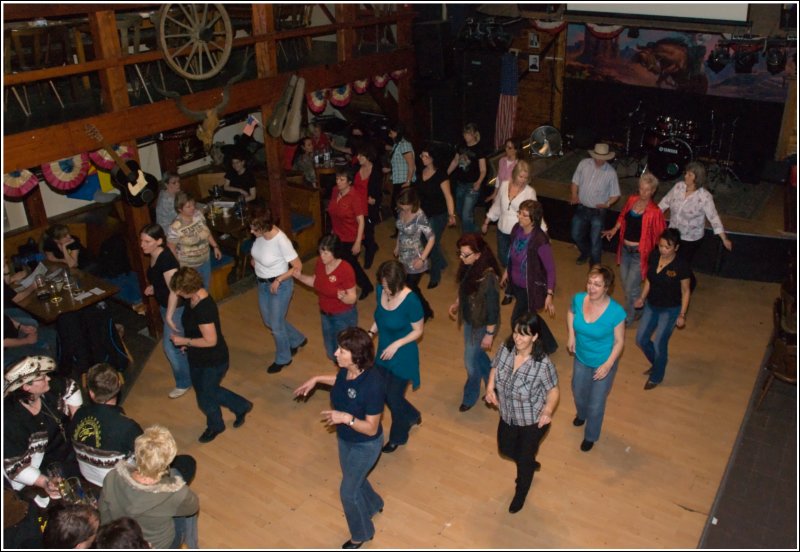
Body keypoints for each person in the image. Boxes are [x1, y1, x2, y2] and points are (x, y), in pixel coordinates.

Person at [294, 327, 385, 550]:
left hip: (366, 444)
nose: (335, 354)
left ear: (356, 357)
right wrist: (316, 379)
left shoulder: (373, 385)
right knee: (353, 477)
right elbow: (340, 381)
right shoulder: (348, 370)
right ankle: (374, 503)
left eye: (341, 351)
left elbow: (372, 429)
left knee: (348, 492)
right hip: (346, 438)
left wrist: (345, 418)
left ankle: (362, 533)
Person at [485, 312, 559, 514]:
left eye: (524, 334)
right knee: (506, 449)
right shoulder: (506, 348)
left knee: (524, 463)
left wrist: (548, 410)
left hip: (532, 422)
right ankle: (527, 461)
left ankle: (521, 491)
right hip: (507, 415)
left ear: (534, 337)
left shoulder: (543, 364)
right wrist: (490, 388)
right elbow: (495, 366)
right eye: (516, 332)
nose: (517, 338)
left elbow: (553, 390)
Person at [169, 267, 253, 443]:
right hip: (198, 357)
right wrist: (188, 343)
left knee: (205, 397)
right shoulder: (191, 299)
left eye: (179, 291)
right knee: (207, 391)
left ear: (188, 288)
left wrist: (185, 341)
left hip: (213, 360)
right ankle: (241, 406)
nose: (177, 294)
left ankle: (216, 426)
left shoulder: (204, 308)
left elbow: (211, 341)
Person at [99, 425, 199, 549]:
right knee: (182, 473)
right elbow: (192, 508)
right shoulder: (177, 492)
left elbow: (104, 512)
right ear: (169, 459)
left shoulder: (112, 476)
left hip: (124, 540)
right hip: (160, 544)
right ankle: (193, 545)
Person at [3, 356, 83, 508]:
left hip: (68, 449)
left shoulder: (47, 390)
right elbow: (15, 466)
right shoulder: (10, 421)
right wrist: (45, 482)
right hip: (41, 466)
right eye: (41, 377)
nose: (48, 378)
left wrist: (77, 418)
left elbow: (71, 386)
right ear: (27, 387)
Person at [567, 265, 626, 452]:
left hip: (604, 362)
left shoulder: (616, 312)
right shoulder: (578, 299)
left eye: (597, 285)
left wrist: (608, 364)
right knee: (577, 390)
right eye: (590, 282)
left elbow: (619, 342)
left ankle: (591, 435)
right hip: (581, 357)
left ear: (606, 287)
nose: (591, 288)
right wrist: (571, 335)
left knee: (596, 403)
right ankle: (581, 414)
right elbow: (570, 312)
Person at [367, 260, 424, 453]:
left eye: (388, 286)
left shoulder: (411, 301)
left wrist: (397, 344)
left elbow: (418, 331)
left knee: (393, 397)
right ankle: (412, 414)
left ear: (399, 282)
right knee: (381, 391)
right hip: (384, 351)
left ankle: (398, 436)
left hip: (403, 353)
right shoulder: (380, 291)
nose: (385, 289)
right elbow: (380, 317)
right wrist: (370, 333)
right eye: (383, 285)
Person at [601, 172, 666, 325]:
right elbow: (622, 217)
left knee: (630, 286)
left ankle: (629, 316)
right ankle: (639, 308)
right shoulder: (631, 200)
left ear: (653, 191)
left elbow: (661, 234)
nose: (643, 193)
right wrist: (614, 230)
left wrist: (661, 256)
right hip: (624, 249)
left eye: (647, 190)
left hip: (639, 254)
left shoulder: (655, 212)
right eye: (641, 189)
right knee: (626, 283)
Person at [249, 207, 308, 373]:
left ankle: (284, 357)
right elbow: (259, 252)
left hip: (280, 287)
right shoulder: (260, 236)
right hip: (262, 284)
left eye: (254, 228)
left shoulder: (281, 240)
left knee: (275, 325)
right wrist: (255, 260)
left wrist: (279, 279)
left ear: (264, 227)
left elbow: (298, 266)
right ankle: (297, 338)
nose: (251, 231)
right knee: (270, 321)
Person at [658, 161, 733, 288]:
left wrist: (724, 238)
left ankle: (688, 284)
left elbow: (713, 217)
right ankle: (673, 284)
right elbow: (664, 203)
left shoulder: (704, 197)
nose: (686, 176)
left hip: (690, 239)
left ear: (697, 178)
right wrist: (650, 215)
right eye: (686, 173)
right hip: (673, 234)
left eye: (690, 174)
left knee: (681, 263)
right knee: (671, 260)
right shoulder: (678, 187)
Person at [448, 233, 501, 412]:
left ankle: (470, 396)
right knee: (477, 355)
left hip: (483, 324)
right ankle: (493, 384)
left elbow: (493, 310)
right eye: (460, 254)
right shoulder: (470, 266)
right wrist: (457, 303)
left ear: (478, 255)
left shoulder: (489, 278)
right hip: (471, 319)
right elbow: (465, 287)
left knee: (470, 362)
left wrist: (490, 334)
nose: (461, 258)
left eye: (465, 255)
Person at [634, 229, 692, 390]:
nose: (663, 250)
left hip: (670, 309)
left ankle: (657, 376)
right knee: (641, 339)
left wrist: (682, 314)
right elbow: (649, 280)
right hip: (652, 305)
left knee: (660, 342)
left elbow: (686, 291)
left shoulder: (681, 266)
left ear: (676, 248)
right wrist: (642, 298)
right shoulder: (654, 256)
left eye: (667, 247)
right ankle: (659, 362)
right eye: (661, 246)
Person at [500, 200, 558, 354]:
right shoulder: (516, 230)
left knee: (517, 320)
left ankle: (525, 347)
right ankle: (550, 345)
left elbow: (550, 269)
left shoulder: (540, 240)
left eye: (524, 215)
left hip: (530, 288)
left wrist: (549, 294)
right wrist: (507, 269)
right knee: (531, 315)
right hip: (516, 283)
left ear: (534, 218)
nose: (519, 217)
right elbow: (512, 253)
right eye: (519, 212)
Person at [140, 223, 191, 398]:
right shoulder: (154, 255)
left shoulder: (167, 259)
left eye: (147, 241)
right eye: (142, 241)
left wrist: (169, 316)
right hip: (166, 306)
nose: (142, 245)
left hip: (175, 307)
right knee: (180, 344)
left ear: (159, 241)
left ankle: (184, 382)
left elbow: (175, 290)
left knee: (171, 347)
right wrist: (154, 287)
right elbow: (162, 280)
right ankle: (193, 371)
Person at [483, 160, 543, 306]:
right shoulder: (504, 185)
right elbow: (497, 205)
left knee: (513, 262)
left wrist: (543, 233)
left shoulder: (530, 192)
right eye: (520, 176)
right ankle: (512, 280)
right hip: (502, 229)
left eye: (526, 177)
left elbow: (535, 214)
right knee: (503, 258)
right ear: (515, 174)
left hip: (519, 233)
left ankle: (510, 292)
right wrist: (487, 220)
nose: (523, 180)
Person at [292, 234, 358, 361]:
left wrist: (343, 297)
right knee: (331, 351)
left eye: (326, 253)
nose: (322, 256)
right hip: (325, 315)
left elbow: (352, 298)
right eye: (320, 252)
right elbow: (315, 282)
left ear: (335, 252)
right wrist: (300, 277)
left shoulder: (345, 269)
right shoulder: (320, 263)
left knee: (346, 353)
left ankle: (345, 377)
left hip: (343, 317)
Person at [569, 143, 621, 266]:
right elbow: (575, 181)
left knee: (595, 239)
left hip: (598, 212)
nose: (599, 160)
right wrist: (574, 195)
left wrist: (607, 204)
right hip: (582, 207)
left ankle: (596, 263)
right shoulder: (583, 164)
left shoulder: (611, 173)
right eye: (597, 156)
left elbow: (616, 194)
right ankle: (585, 252)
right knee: (575, 234)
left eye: (601, 158)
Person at [327, 168, 374, 300]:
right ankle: (344, 285)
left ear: (349, 182)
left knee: (351, 265)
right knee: (341, 263)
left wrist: (358, 242)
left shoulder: (355, 196)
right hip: (337, 235)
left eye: (342, 180)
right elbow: (333, 211)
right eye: (337, 179)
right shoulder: (335, 191)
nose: (338, 182)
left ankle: (366, 286)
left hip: (351, 237)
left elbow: (361, 220)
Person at [413, 144, 456, 289]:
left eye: (426, 156)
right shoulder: (421, 171)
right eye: (422, 155)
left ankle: (435, 275)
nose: (423, 158)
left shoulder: (441, 175)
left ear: (433, 158)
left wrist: (451, 215)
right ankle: (442, 263)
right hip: (424, 214)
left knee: (432, 244)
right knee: (424, 241)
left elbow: (448, 196)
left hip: (439, 214)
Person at [394, 188, 435, 322]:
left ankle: (426, 310)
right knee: (407, 285)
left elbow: (431, 238)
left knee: (411, 286)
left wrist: (422, 259)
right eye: (401, 205)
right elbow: (400, 231)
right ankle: (420, 309)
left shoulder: (420, 215)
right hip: (403, 256)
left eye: (405, 206)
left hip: (416, 258)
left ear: (413, 203)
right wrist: (397, 246)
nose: (403, 208)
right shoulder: (401, 210)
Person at [167, 191, 222, 290]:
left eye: (193, 204)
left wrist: (215, 246)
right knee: (194, 291)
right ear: (180, 209)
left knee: (206, 288)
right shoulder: (175, 227)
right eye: (188, 206)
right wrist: (180, 266)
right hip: (189, 266)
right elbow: (171, 248)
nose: (192, 208)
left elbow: (207, 232)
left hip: (205, 259)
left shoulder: (198, 215)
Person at [448, 123, 489, 234]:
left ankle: (467, 239)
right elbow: (455, 161)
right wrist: (446, 174)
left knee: (466, 214)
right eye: (464, 134)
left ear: (474, 135)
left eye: (468, 134)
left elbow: (483, 170)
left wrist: (479, 182)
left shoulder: (479, 149)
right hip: (460, 184)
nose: (466, 136)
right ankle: (474, 229)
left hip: (472, 185)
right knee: (460, 212)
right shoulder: (461, 145)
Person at [353, 142, 383, 270]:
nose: (358, 157)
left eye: (361, 155)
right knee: (355, 231)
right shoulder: (355, 168)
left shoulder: (376, 172)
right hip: (354, 206)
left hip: (367, 208)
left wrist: (374, 200)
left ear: (369, 156)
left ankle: (370, 254)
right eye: (358, 155)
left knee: (368, 233)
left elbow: (378, 193)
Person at [386, 122, 416, 236]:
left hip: (404, 182)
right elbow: (399, 163)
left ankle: (404, 231)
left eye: (391, 132)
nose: (390, 135)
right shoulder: (398, 144)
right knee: (398, 208)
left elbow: (411, 165)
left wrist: (408, 181)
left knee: (400, 207)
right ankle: (401, 230)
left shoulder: (404, 145)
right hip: (399, 180)